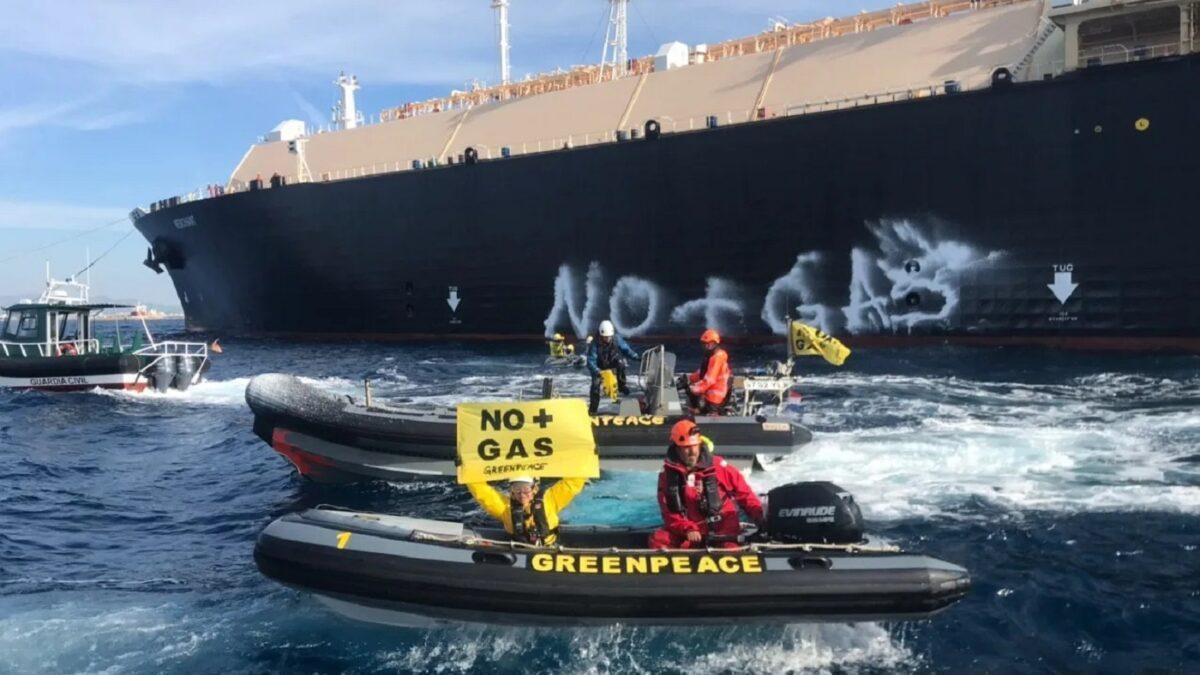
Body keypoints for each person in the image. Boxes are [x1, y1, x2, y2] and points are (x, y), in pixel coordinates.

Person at [648, 419, 764, 550]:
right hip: (690, 532)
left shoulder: (720, 467)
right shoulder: (667, 476)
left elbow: (745, 495)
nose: (692, 452)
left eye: (694, 446)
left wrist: (760, 516)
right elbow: (669, 513)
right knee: (658, 539)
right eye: (686, 447)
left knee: (730, 550)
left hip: (724, 530)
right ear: (676, 447)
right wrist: (688, 529)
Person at [466, 475, 586, 546]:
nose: (522, 494)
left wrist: (586, 457)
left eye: (526, 489)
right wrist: (467, 469)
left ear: (535, 488)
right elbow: (482, 493)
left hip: (549, 547)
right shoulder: (505, 507)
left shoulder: (551, 499)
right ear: (511, 490)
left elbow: (572, 484)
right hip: (517, 548)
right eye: (516, 489)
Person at [585, 319, 640, 415]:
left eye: (609, 337)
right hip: (599, 367)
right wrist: (598, 372)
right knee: (595, 385)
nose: (607, 339)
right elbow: (590, 361)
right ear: (601, 335)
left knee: (621, 364)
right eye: (605, 337)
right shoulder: (595, 344)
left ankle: (622, 386)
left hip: (611, 362)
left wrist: (636, 357)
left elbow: (626, 350)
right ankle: (593, 410)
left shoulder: (617, 339)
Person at [686, 328, 732, 415]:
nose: (704, 347)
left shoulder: (717, 358)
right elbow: (703, 372)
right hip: (711, 393)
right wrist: (690, 378)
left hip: (715, 397)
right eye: (703, 344)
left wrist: (696, 388)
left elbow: (710, 379)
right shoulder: (711, 357)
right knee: (691, 393)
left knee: (695, 400)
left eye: (706, 344)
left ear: (713, 344)